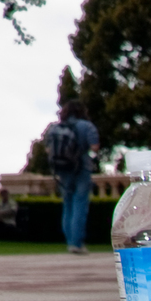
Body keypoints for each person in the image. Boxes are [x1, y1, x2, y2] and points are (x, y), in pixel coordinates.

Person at [41, 104, 100, 253]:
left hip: (62, 170)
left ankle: (70, 242)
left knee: (67, 205)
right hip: (81, 168)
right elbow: (94, 147)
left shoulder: (54, 127)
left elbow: (48, 149)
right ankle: (77, 243)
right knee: (80, 204)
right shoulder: (87, 126)